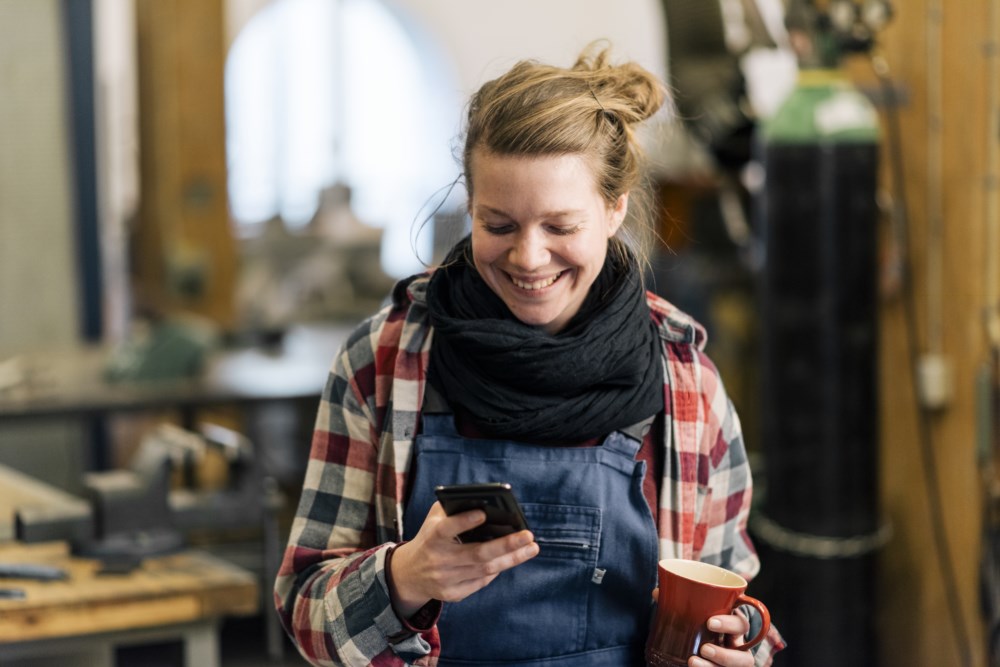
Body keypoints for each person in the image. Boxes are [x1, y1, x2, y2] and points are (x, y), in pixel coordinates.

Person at [274, 42, 785, 667]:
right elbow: (303, 610)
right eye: (499, 224)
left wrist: (741, 652)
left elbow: (738, 608)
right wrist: (404, 578)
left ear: (615, 209)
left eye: (561, 227)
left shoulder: (685, 382)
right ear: (470, 205)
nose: (528, 257)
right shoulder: (383, 363)